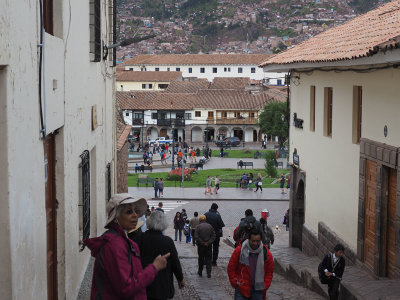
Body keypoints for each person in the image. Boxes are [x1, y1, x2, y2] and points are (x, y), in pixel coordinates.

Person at [84, 193, 169, 299]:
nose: (135, 215)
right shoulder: (114, 245)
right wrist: (154, 267)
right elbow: (126, 288)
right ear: (116, 218)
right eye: (129, 211)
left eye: (136, 211)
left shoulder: (123, 241)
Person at [139, 211, 185, 300]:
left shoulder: (140, 238)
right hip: (163, 284)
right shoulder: (167, 241)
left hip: (144, 282)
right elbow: (175, 262)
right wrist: (180, 279)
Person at [227, 229, 274, 300]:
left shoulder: (266, 254)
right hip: (242, 288)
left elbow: (269, 272)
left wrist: (265, 285)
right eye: (253, 241)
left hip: (258, 290)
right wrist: (235, 283)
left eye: (257, 241)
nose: (255, 243)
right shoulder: (240, 251)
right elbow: (231, 268)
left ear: (260, 240)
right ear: (249, 239)